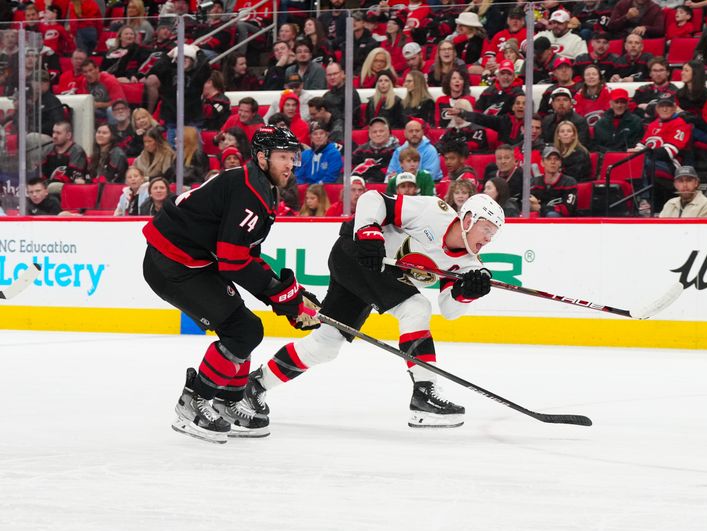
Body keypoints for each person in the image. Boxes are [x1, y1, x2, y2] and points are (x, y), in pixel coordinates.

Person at [243, 192, 505, 429]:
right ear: (469, 219)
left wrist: (467, 293)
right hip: (354, 254)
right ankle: (424, 392)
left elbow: (449, 310)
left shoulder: (469, 265)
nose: (488, 238)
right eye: (486, 229)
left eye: (493, 234)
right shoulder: (433, 212)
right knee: (415, 307)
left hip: (377, 275)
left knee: (326, 344)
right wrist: (369, 232)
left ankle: (256, 384)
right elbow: (373, 199)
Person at [142, 126, 319, 444]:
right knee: (243, 331)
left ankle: (228, 400)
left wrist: (287, 295)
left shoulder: (260, 186)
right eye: (283, 157)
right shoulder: (249, 190)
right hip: (171, 264)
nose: (290, 164)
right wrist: (284, 297)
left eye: (292, 158)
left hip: (192, 260)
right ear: (262, 157)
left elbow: (246, 253)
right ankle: (192, 402)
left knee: (245, 328)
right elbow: (234, 261)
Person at [530, 146, 578, 217]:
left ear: (560, 163)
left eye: (556, 159)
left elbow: (568, 210)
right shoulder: (535, 182)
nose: (553, 162)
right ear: (542, 163)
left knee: (552, 215)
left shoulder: (569, 182)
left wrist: (540, 208)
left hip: (563, 223)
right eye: (549, 159)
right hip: (538, 220)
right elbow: (526, 203)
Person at [40, 121, 88, 189]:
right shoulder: (48, 149)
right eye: (53, 132)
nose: (54, 136)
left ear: (68, 135)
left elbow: (73, 175)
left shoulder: (77, 151)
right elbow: (40, 172)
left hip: (69, 189)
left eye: (58, 133)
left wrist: (51, 183)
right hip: (47, 188)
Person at [593, 88, 644, 152]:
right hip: (605, 156)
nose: (619, 105)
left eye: (622, 102)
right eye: (616, 102)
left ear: (627, 104)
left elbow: (637, 144)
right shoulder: (601, 123)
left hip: (628, 157)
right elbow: (596, 145)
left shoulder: (636, 122)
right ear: (611, 103)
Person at [352, 117, 400, 183]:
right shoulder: (361, 150)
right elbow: (350, 166)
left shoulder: (397, 151)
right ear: (369, 134)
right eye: (374, 132)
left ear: (389, 132)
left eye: (381, 131)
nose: (378, 134)